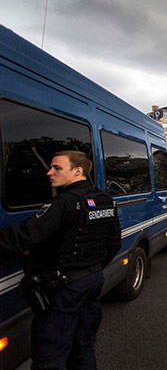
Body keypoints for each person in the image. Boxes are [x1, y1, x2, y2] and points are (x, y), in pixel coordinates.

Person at [0, 150, 122, 370]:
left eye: (57, 168)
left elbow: (24, 236)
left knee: (50, 356)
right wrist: (92, 268)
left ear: (78, 171)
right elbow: (114, 244)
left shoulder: (63, 203)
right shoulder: (105, 200)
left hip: (64, 288)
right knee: (83, 348)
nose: (49, 172)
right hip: (92, 281)